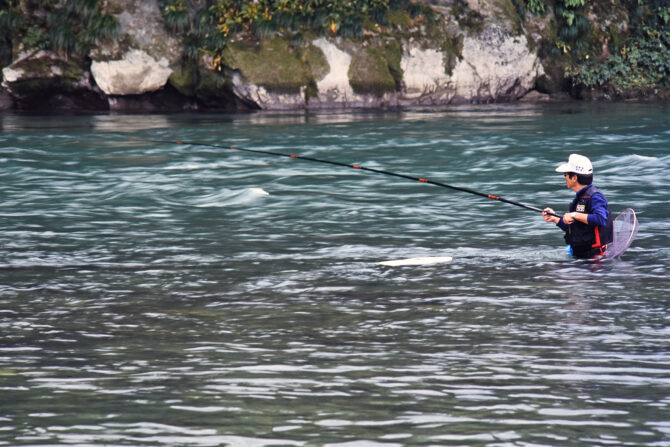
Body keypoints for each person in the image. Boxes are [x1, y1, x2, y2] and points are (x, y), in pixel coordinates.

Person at [543, 154, 613, 258]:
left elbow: (600, 218)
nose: (565, 178)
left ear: (574, 178)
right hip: (582, 257)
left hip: (594, 261)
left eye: (565, 175)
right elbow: (575, 229)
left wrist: (574, 215)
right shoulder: (581, 198)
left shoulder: (595, 197)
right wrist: (555, 218)